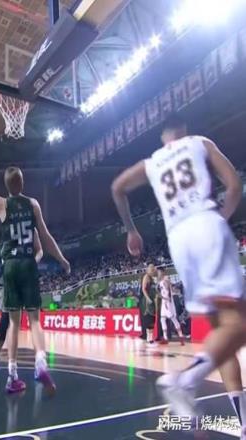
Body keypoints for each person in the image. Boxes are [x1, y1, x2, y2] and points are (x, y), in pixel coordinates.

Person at [111, 114, 246, 435]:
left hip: (179, 241)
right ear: (184, 129)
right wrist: (221, 217)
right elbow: (234, 185)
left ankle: (243, 424)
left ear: (162, 137)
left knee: (222, 333)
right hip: (205, 224)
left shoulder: (152, 162)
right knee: (239, 324)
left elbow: (117, 188)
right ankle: (184, 380)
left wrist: (131, 230)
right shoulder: (200, 143)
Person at [0, 150, 70, 394]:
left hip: (10, 265)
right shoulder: (33, 204)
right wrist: (62, 259)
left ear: (6, 185)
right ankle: (40, 362)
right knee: (34, 320)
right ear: (22, 183)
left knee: (13, 322)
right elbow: (46, 237)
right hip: (29, 263)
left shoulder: (2, 203)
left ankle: (12, 376)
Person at [0, 229, 43, 378]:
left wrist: (32, 263)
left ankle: (39, 365)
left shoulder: (30, 229)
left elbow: (40, 251)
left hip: (27, 281)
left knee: (34, 322)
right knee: (4, 325)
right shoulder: (7, 239)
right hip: (12, 285)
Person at [157, 267, 185, 345]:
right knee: (162, 319)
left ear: (162, 272)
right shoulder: (161, 281)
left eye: (159, 272)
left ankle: (181, 336)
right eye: (157, 272)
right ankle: (165, 338)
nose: (158, 273)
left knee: (173, 319)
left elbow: (168, 289)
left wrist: (167, 298)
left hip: (167, 301)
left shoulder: (165, 279)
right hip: (164, 301)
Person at [140, 264, 157, 346]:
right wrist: (148, 298)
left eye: (153, 268)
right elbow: (143, 289)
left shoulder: (153, 278)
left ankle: (149, 339)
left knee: (152, 319)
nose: (152, 270)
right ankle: (149, 340)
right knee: (149, 319)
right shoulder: (146, 276)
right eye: (151, 268)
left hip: (153, 300)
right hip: (147, 301)